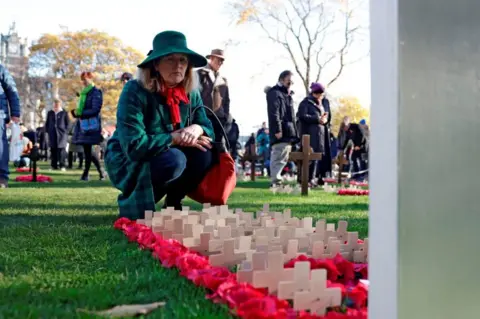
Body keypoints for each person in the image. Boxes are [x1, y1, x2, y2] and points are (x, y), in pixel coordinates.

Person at [105, 31, 215, 219]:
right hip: (129, 158)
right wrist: (174, 138)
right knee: (174, 159)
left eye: (182, 60)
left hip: (169, 152)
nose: (178, 66)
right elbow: (134, 146)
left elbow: (207, 126)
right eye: (170, 60)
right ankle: (135, 203)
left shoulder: (191, 93)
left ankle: (173, 203)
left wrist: (197, 128)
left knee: (204, 153)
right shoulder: (134, 90)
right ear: (155, 64)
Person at [71, 71, 106, 181]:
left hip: (91, 125)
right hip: (83, 124)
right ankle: (99, 172)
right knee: (87, 150)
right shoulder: (84, 93)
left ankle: (87, 173)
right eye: (82, 80)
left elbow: (96, 109)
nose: (83, 82)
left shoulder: (96, 92)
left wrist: (81, 113)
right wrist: (76, 112)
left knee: (88, 150)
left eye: (85, 80)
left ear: (91, 79)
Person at [266, 70, 298, 186]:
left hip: (288, 130)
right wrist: (277, 130)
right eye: (289, 81)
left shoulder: (286, 94)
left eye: (292, 82)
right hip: (281, 131)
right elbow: (274, 113)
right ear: (281, 79)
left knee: (283, 156)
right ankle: (276, 181)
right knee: (278, 156)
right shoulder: (275, 93)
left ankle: (277, 180)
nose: (291, 83)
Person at [297, 82, 332, 186]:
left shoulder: (323, 103)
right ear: (314, 93)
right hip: (309, 133)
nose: (321, 96)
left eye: (322, 94)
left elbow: (327, 116)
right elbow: (302, 116)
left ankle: (315, 178)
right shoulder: (305, 103)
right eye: (319, 94)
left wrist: (325, 119)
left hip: (321, 134)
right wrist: (317, 119)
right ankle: (305, 179)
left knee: (318, 157)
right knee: (309, 157)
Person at [197, 49, 231, 142]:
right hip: (203, 118)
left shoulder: (223, 80)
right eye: (218, 59)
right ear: (211, 58)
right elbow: (194, 97)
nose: (220, 63)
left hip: (219, 119)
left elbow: (227, 100)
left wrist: (225, 116)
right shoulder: (200, 74)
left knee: (219, 149)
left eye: (222, 61)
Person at [0, 64, 21, 188]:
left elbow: (12, 90)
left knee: (1, 146)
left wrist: (15, 113)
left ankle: (2, 177)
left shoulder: (1, 69)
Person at [45, 98, 70, 170]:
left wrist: (65, 131)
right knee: (53, 150)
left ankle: (62, 165)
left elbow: (68, 124)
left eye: (57, 104)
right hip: (52, 134)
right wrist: (48, 131)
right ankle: (54, 165)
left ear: (60, 105)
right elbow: (47, 123)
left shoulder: (64, 112)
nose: (56, 106)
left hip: (62, 134)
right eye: (55, 104)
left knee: (61, 150)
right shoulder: (50, 113)